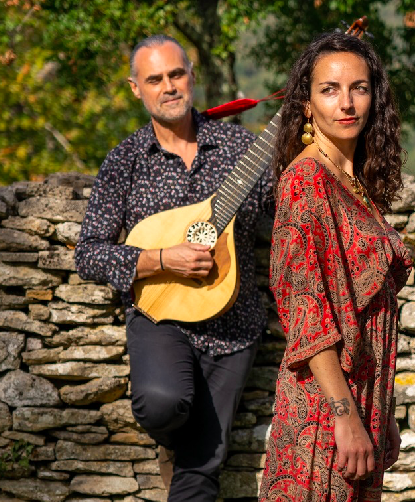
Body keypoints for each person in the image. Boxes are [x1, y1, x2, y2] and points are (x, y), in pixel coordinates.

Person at [75, 34, 274, 502]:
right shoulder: (125, 161)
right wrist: (161, 259)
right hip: (160, 315)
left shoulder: (241, 147)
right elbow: (88, 254)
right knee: (161, 405)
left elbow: (287, 211)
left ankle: (188, 457)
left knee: (202, 468)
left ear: (191, 76)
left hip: (234, 324)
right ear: (135, 88)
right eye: (154, 79)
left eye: (176, 74)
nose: (168, 86)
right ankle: (174, 439)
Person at [258, 31, 412, 501]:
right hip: (325, 411)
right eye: (329, 89)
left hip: (361, 402)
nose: (346, 103)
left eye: (358, 88)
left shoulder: (353, 181)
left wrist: (381, 412)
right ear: (306, 105)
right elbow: (307, 316)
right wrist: (345, 417)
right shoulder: (305, 181)